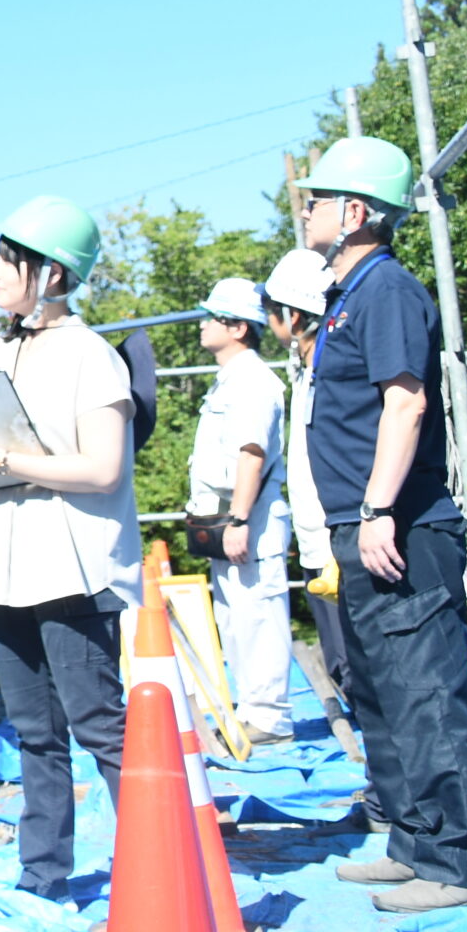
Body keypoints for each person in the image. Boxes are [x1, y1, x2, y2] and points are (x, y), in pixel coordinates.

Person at [296, 136, 467, 911]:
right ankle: (416, 841)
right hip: (364, 523)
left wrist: (381, 504)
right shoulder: (347, 294)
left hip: (401, 526)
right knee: (383, 693)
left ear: (354, 212)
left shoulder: (386, 290)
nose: (305, 210)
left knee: (425, 690)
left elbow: (405, 401)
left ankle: (463, 862)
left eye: (317, 199)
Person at [0, 195, 138, 903]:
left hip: (72, 566)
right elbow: (7, 452)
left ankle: (156, 868)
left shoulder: (92, 357)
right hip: (8, 564)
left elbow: (103, 467)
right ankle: (42, 872)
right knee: (34, 732)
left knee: (101, 725)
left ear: (50, 273)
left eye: (7, 259)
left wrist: (5, 458)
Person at [190, 277, 291, 744]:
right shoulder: (233, 378)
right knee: (235, 618)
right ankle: (252, 710)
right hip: (233, 517)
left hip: (248, 519)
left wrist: (240, 519)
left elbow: (250, 455)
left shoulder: (252, 381)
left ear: (238, 328)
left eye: (213, 317)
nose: (204, 324)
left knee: (257, 617)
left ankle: (269, 716)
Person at [262, 248, 357, 700]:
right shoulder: (304, 367)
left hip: (341, 539)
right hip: (319, 541)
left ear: (294, 316)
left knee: (359, 663)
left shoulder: (331, 368)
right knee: (341, 660)